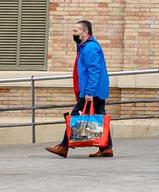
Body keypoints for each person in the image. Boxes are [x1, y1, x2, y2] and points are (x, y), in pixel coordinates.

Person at [46, 19, 112, 159]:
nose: (73, 33)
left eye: (76, 31)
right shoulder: (85, 47)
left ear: (85, 32)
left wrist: (89, 92)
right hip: (95, 89)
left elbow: (94, 71)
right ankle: (106, 148)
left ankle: (64, 146)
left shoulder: (90, 48)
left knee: (75, 115)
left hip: (92, 90)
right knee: (99, 115)